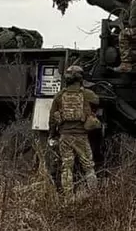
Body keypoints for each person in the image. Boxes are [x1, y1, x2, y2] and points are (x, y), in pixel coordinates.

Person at [49, 65, 100, 197]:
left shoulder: (59, 96)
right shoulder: (87, 94)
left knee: (66, 167)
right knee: (88, 167)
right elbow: (97, 100)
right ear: (80, 78)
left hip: (65, 137)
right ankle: (94, 195)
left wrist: (52, 135)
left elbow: (52, 119)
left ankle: (68, 197)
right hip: (81, 136)